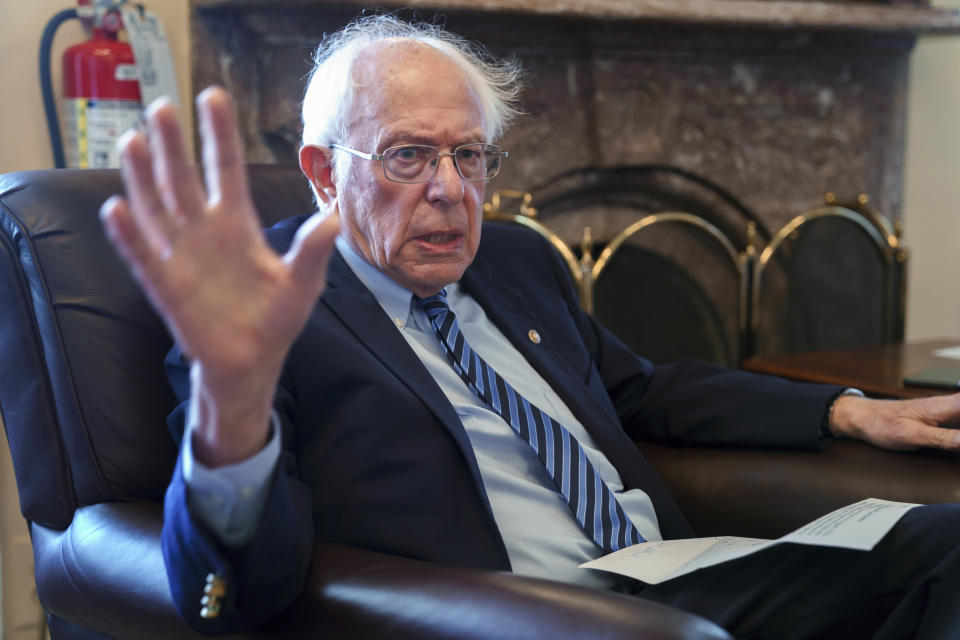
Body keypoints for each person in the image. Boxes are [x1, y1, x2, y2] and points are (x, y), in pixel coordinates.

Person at [99, 15, 960, 639]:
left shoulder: (515, 261)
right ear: (324, 173)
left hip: (668, 573)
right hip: (527, 615)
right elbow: (234, 591)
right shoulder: (258, 315)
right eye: (408, 155)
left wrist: (845, 411)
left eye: (468, 155)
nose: (449, 190)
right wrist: (234, 408)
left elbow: (643, 391)